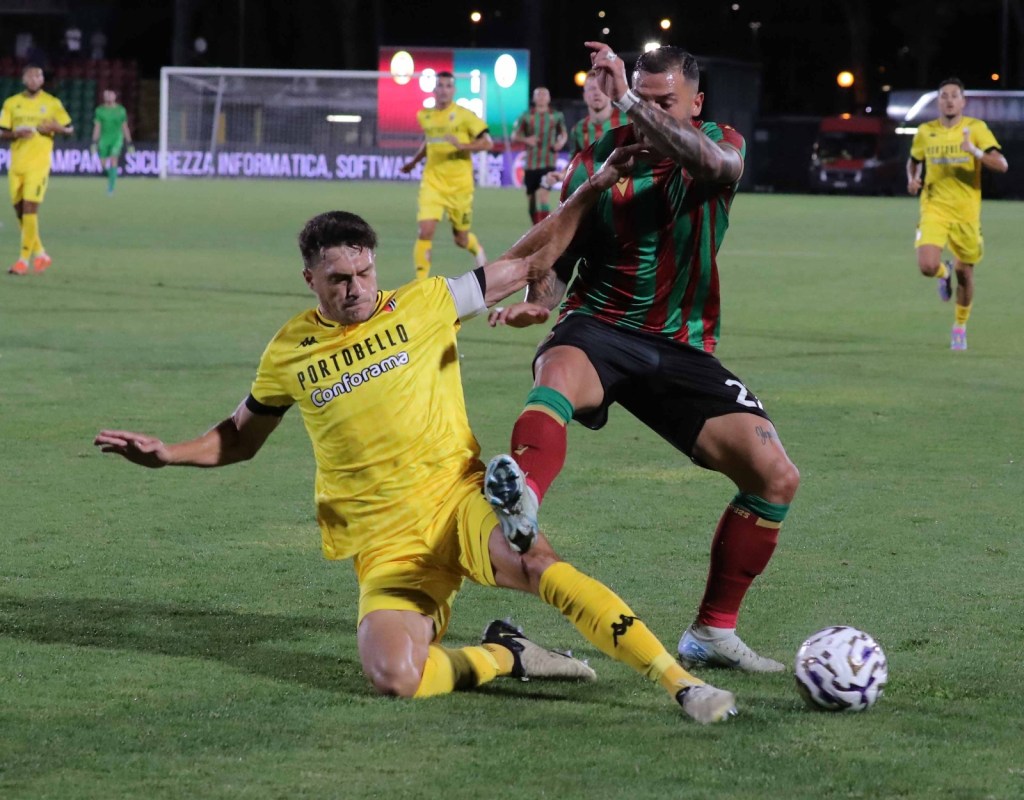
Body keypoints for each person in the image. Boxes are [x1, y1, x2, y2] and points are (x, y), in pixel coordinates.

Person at [93, 147, 738, 724]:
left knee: (538, 563)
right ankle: (504, 655)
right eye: (339, 279)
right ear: (310, 280)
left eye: (364, 272)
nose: (356, 289)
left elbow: (529, 261)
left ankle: (680, 683)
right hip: (384, 543)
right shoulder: (289, 350)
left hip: (457, 500)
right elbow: (239, 437)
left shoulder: (427, 302)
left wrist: (592, 188)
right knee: (396, 677)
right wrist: (169, 454)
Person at [484, 43, 800, 674]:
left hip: (681, 346)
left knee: (774, 478)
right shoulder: (598, 160)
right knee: (558, 374)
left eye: (664, 102)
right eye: (642, 99)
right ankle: (521, 502)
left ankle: (712, 633)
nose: (649, 113)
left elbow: (707, 162)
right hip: (600, 325)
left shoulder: (719, 144)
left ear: (696, 104)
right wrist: (538, 304)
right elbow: (561, 257)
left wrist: (628, 99)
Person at [906, 77, 1009, 351]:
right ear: (938, 102)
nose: (949, 100)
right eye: (944, 96)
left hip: (966, 214)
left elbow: (1002, 164)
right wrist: (912, 179)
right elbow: (914, 161)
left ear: (963, 102)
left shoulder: (976, 129)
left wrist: (974, 151)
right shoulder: (925, 131)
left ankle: (960, 326)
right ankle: (943, 271)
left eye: (954, 96)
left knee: (965, 274)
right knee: (927, 266)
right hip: (934, 208)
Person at [400, 71, 492, 281]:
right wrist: (413, 162)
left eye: (448, 86)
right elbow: (429, 142)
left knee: (461, 239)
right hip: (432, 182)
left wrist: (463, 146)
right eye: (440, 86)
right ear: (434, 89)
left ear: (454, 90)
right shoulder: (425, 115)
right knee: (425, 231)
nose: (443, 90)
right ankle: (420, 283)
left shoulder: (464, 115)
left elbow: (488, 143)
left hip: (460, 187)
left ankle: (477, 249)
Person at [0, 65, 73, 276]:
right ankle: (40, 254)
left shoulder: (52, 103)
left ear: (42, 80)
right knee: (20, 212)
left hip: (38, 165)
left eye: (38, 76)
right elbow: (1, 132)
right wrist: (15, 134)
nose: (34, 79)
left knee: (30, 209)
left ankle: (23, 261)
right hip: (17, 165)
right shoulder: (11, 103)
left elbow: (69, 129)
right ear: (24, 79)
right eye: (30, 76)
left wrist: (58, 129)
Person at [511, 86, 567, 224]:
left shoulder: (556, 116)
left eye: (544, 94)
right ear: (534, 98)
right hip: (531, 163)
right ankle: (536, 227)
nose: (541, 97)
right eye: (538, 94)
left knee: (543, 195)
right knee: (531, 200)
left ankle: (544, 229)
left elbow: (564, 134)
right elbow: (514, 136)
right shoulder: (526, 116)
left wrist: (560, 143)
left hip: (548, 163)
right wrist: (527, 139)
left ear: (549, 98)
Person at [91, 89, 134, 196]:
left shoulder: (121, 110)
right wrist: (94, 142)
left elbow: (124, 127)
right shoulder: (100, 110)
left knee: (113, 159)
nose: (109, 97)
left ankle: (111, 188)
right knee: (103, 164)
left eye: (110, 95)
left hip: (117, 139)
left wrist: (129, 142)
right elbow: (97, 127)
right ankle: (109, 175)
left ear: (115, 96)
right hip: (104, 139)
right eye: (106, 95)